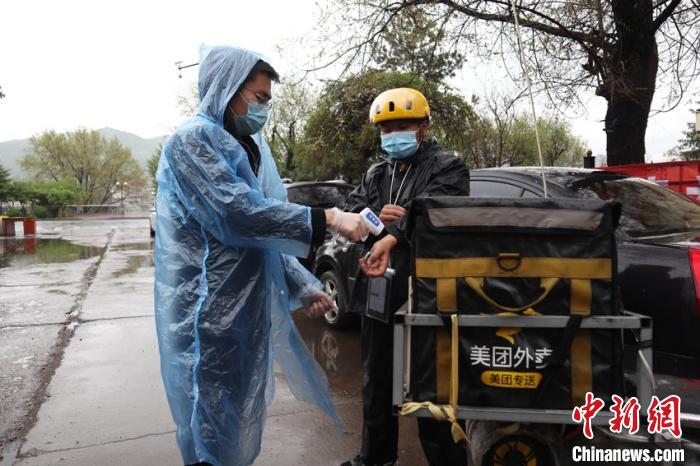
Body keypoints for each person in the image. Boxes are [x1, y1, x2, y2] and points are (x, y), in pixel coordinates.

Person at [154, 45, 369, 466]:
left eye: (268, 100)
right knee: (209, 422)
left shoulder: (248, 147)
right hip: (208, 315)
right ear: (227, 88)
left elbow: (262, 235)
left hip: (243, 314)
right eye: (258, 97)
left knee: (235, 423)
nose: (263, 108)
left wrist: (304, 284)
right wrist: (329, 217)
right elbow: (238, 216)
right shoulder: (193, 141)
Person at [342, 88, 470, 466]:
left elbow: (434, 210)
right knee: (376, 377)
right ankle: (375, 457)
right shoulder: (377, 172)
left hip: (429, 287)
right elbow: (354, 208)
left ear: (423, 126)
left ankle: (446, 461)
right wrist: (376, 218)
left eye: (402, 126)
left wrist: (396, 231)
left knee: (431, 382)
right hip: (380, 284)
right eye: (386, 129)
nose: (393, 135)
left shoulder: (448, 165)